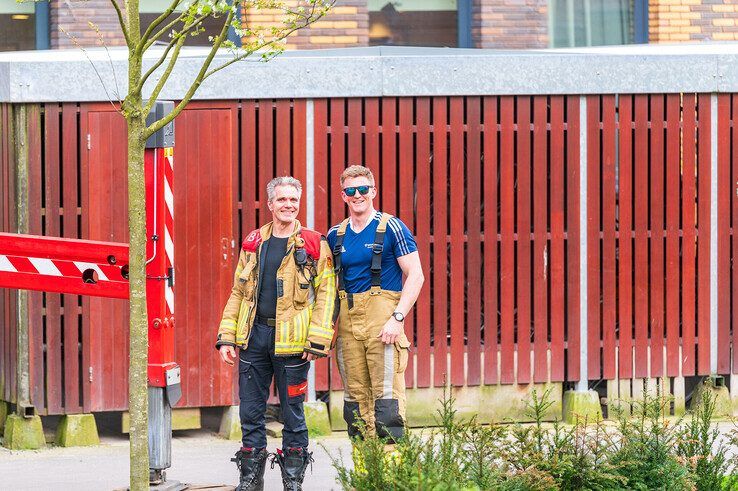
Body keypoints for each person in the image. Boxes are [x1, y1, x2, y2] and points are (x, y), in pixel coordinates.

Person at [216, 176, 336, 491]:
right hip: (254, 339)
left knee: (293, 413)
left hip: (294, 344)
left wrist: (318, 339)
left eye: (293, 200)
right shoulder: (254, 241)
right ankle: (250, 480)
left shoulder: (312, 242)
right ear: (270, 204)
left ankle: (292, 481)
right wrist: (228, 336)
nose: (288, 206)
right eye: (282, 200)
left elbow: (327, 292)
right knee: (250, 410)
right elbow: (238, 293)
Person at [327, 165, 424, 442]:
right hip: (348, 328)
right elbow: (327, 287)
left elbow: (416, 275)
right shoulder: (336, 235)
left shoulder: (392, 227)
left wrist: (397, 317)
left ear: (373, 191)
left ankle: (390, 479)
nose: (357, 195)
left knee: (387, 404)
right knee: (355, 405)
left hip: (383, 324)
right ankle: (362, 476)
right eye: (350, 190)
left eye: (363, 189)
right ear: (343, 195)